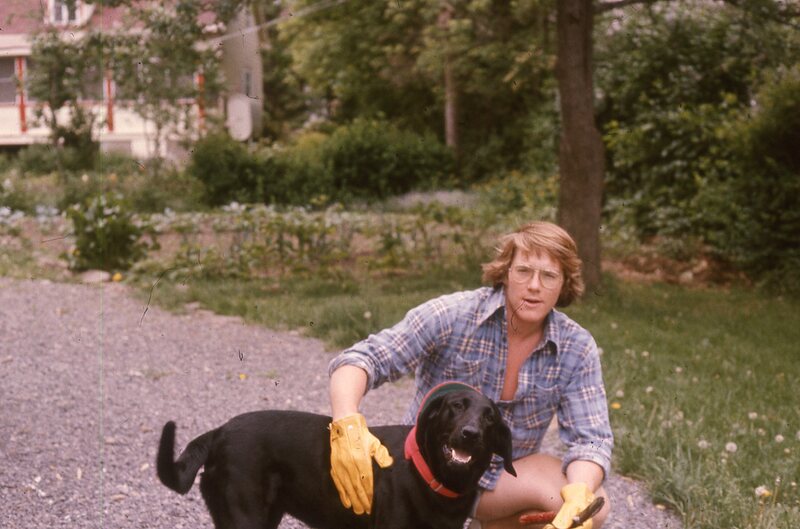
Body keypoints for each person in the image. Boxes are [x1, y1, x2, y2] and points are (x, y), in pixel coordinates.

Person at [327, 221, 613, 528]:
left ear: (564, 283)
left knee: (592, 506)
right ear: (506, 272)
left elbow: (592, 440)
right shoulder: (454, 314)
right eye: (523, 271)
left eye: (549, 275)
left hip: (499, 484)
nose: (534, 285)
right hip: (427, 474)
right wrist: (346, 421)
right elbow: (363, 358)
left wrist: (580, 491)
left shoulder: (576, 347)